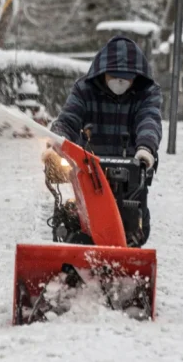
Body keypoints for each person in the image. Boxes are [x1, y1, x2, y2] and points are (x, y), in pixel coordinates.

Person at [44, 35, 163, 246]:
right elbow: (69, 119)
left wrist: (145, 148)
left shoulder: (146, 93)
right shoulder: (84, 90)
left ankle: (127, 249)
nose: (120, 82)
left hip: (131, 168)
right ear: (102, 73)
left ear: (137, 77)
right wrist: (58, 142)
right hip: (89, 169)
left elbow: (149, 120)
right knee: (80, 221)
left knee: (133, 225)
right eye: (114, 76)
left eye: (126, 77)